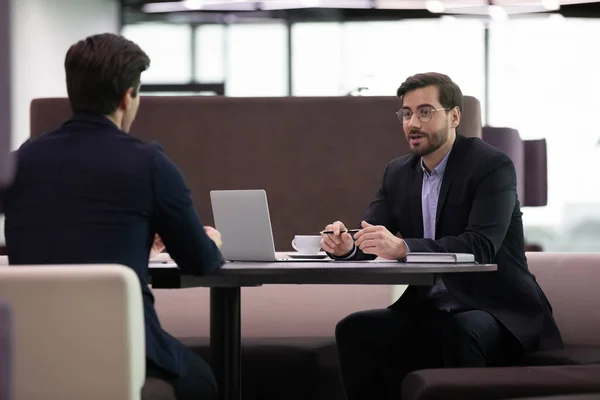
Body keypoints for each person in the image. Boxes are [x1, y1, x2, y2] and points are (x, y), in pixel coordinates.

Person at [0, 33, 223, 400]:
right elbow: (199, 260)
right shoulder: (148, 162)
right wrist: (212, 242)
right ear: (127, 97)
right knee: (202, 382)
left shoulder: (20, 161)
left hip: (32, 350)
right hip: (126, 346)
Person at [320, 72, 563, 400]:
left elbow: (480, 246)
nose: (412, 123)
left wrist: (404, 248)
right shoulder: (397, 172)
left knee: (462, 331)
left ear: (454, 116)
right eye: (406, 113)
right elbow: (374, 234)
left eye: (424, 111)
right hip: (430, 310)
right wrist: (347, 246)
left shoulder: (491, 165)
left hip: (498, 310)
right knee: (354, 330)